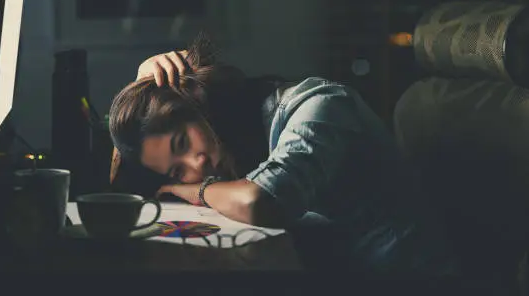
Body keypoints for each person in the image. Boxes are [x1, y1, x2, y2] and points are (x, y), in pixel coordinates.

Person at [107, 34, 466, 279]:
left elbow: (263, 200)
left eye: (183, 142)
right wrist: (138, 90)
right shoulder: (234, 147)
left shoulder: (319, 104)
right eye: (176, 170)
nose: (196, 165)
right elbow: (119, 190)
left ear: (198, 105)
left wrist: (192, 190)